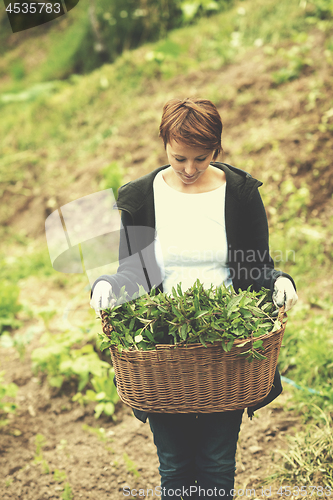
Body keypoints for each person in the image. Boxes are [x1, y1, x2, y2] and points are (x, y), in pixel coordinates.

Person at [90, 98, 298, 499]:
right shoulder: (141, 197)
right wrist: (108, 286)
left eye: (200, 159)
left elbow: (254, 268)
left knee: (218, 462)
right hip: (164, 345)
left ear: (216, 150)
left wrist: (278, 281)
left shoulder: (239, 194)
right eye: (178, 157)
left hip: (226, 345)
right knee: (175, 464)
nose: (188, 169)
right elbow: (134, 273)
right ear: (164, 143)